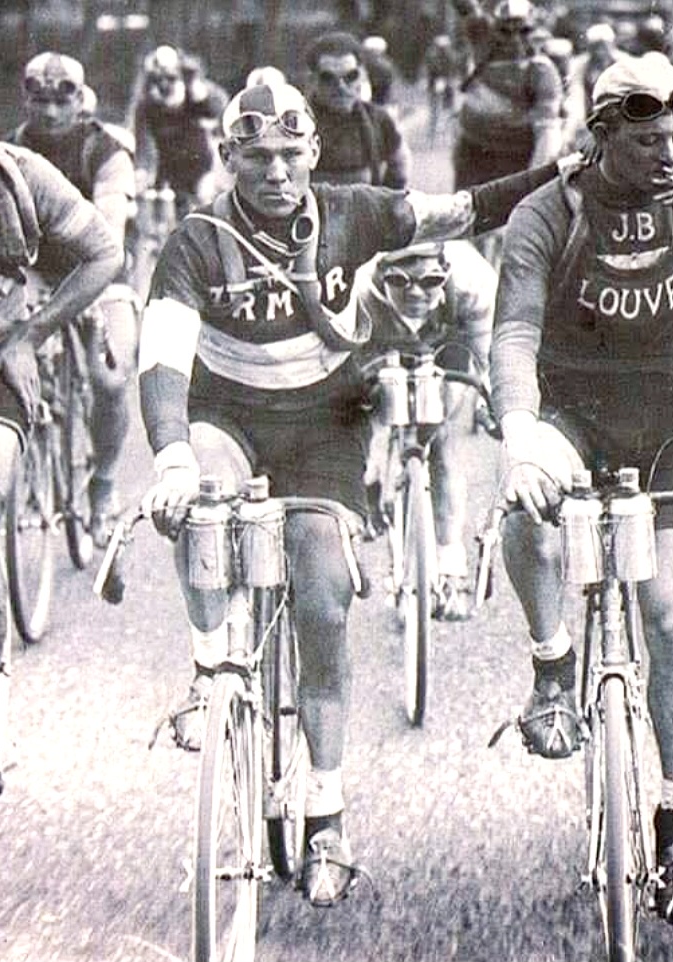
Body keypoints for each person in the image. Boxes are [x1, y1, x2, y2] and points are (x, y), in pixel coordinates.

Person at [138, 80, 565, 908]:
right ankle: (207, 671)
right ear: (228, 160)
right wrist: (171, 460)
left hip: (325, 427)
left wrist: (561, 172)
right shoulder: (195, 240)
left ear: (313, 155)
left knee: (324, 599)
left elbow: (466, 210)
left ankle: (327, 812)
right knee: (202, 508)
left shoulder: (356, 212)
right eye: (254, 157)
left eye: (288, 155)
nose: (274, 171)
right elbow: (162, 361)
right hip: (225, 417)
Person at [490, 52, 673, 926]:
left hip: (671, 412)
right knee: (522, 502)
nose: (671, 153)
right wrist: (521, 433)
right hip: (572, 406)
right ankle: (554, 665)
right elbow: (514, 333)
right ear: (603, 136)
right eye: (650, 141)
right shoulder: (549, 211)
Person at [8, 52, 139, 544]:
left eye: (60, 101)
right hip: (37, 273)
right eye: (38, 100)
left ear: (81, 102)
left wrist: (83, 295)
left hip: (101, 272)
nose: (50, 112)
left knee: (109, 378)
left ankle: (103, 485)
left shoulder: (105, 152)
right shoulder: (14, 150)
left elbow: (109, 235)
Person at [0, 140, 123, 632]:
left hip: (6, 343)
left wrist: (31, 336)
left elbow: (106, 253)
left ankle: (103, 484)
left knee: (110, 374)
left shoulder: (23, 173)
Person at [351, 240, 497, 619]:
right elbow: (349, 373)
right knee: (371, 418)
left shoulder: (471, 281)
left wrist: (489, 402)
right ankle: (384, 490)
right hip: (381, 346)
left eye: (430, 280)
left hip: (448, 344)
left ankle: (450, 565)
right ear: (381, 276)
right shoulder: (360, 289)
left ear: (446, 272)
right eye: (400, 280)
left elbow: (488, 358)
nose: (415, 292)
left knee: (444, 442)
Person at [452, 0, 563, 189]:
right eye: (506, 31)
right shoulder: (483, 43)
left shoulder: (541, 70)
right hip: (473, 147)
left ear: (537, 33)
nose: (515, 38)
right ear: (494, 30)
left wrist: (535, 179)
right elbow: (465, 7)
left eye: (524, 31)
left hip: (515, 155)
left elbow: (547, 130)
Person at [130, 44, 227, 218]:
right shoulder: (146, 106)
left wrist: (196, 86)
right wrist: (142, 171)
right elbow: (141, 142)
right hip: (167, 172)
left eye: (171, 78)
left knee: (205, 206)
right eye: (158, 79)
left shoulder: (194, 97)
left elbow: (218, 107)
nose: (165, 84)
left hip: (201, 168)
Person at [305, 30, 410, 189]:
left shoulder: (378, 120)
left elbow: (400, 166)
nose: (341, 87)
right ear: (313, 80)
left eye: (350, 76)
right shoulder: (297, 122)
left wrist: (386, 202)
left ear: (362, 76)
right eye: (328, 78)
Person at [562, 22, 626, 150]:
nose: (600, 51)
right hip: (588, 115)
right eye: (595, 46)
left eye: (604, 46)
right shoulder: (578, 65)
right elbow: (575, 93)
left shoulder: (624, 63)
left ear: (612, 45)